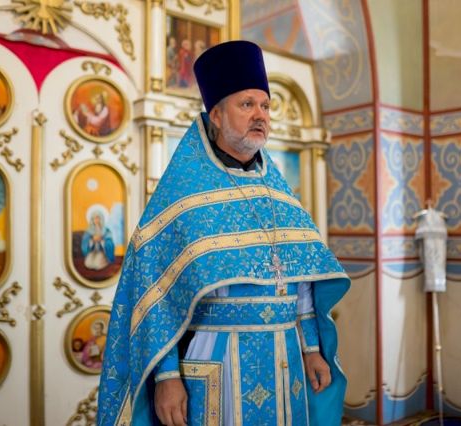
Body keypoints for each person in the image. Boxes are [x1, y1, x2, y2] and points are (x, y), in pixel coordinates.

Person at [98, 40, 349, 426]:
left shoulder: (278, 192)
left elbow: (301, 279)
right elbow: (155, 293)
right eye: (247, 104)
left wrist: (312, 348)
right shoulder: (183, 192)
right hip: (217, 364)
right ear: (215, 114)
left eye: (265, 106)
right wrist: (166, 377)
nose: (260, 115)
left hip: (286, 361)